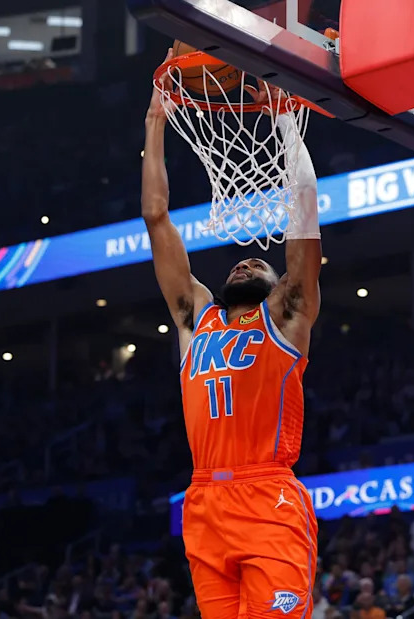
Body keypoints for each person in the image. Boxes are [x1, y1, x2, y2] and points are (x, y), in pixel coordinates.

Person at [143, 50, 323, 618]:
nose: (245, 261)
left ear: (278, 283)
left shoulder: (287, 315)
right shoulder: (195, 318)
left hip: (268, 496)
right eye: (240, 261)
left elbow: (304, 209)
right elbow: (156, 216)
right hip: (203, 502)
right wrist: (155, 121)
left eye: (258, 263)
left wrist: (285, 120)